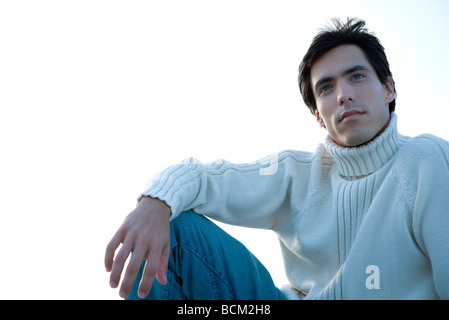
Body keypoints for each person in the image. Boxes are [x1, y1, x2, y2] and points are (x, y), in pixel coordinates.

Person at [104, 17, 449, 300]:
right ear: (317, 114)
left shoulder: (425, 160)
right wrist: (155, 201)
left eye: (357, 76)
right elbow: (203, 178)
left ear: (389, 89)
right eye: (326, 88)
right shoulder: (298, 175)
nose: (344, 95)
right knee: (175, 231)